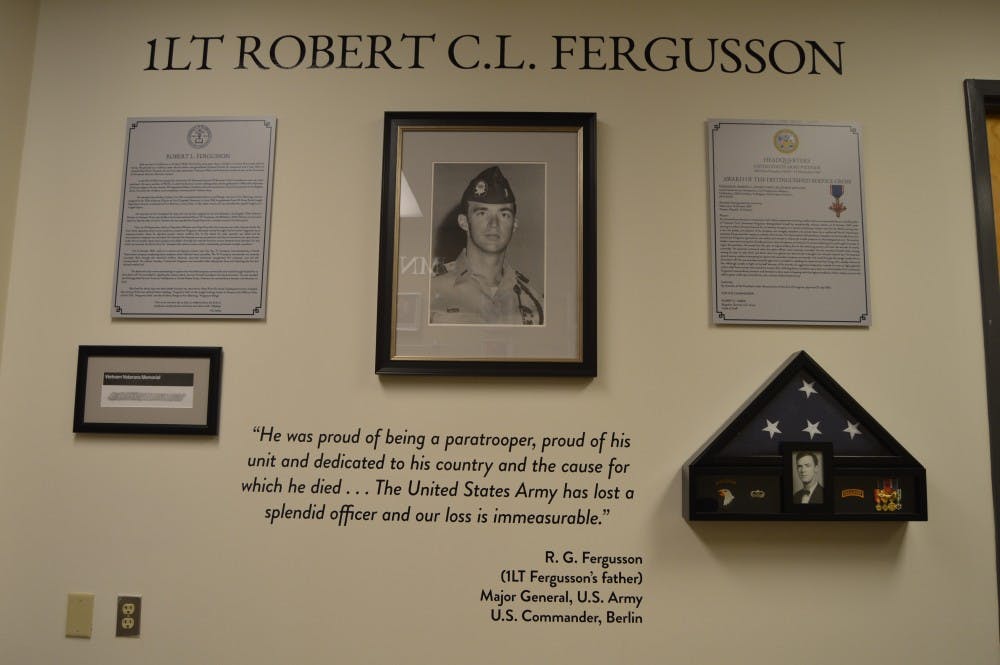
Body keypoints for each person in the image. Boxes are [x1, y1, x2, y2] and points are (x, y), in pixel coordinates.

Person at [430, 166, 544, 325]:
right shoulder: (432, 289)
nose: (494, 224)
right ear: (464, 222)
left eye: (504, 214)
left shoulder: (534, 301)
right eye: (482, 213)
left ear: (514, 225)